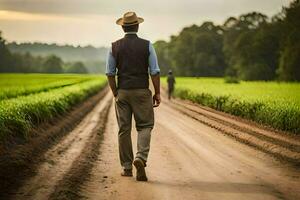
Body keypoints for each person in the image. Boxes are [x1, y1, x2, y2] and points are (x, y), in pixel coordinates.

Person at [105, 11, 161, 182]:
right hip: (142, 92)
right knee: (145, 125)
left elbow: (109, 73)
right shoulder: (147, 45)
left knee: (124, 129)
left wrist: (116, 92)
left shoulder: (114, 46)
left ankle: (127, 167)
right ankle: (141, 158)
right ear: (137, 26)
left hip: (122, 91)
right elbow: (155, 71)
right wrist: (157, 92)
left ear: (123, 27)